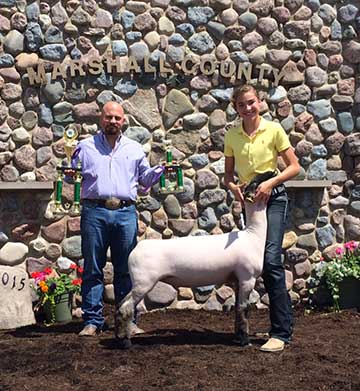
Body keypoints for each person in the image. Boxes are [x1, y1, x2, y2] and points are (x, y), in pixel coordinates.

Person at [71, 101, 164, 337]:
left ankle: (128, 320)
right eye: (108, 117)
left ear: (124, 121)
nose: (113, 121)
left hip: (125, 213)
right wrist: (69, 173)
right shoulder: (84, 146)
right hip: (95, 211)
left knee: (126, 269)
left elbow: (143, 181)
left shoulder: (134, 149)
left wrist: (160, 171)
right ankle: (92, 321)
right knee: (93, 267)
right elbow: (72, 176)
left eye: (117, 118)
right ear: (101, 119)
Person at [224, 85, 300, 352]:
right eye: (242, 105)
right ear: (236, 109)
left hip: (274, 199)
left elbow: (294, 166)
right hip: (251, 204)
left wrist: (271, 182)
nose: (248, 108)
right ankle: (250, 327)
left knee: (270, 261)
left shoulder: (274, 130)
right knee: (255, 262)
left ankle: (281, 332)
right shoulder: (232, 135)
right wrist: (233, 188)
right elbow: (228, 176)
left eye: (251, 102)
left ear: (260, 102)